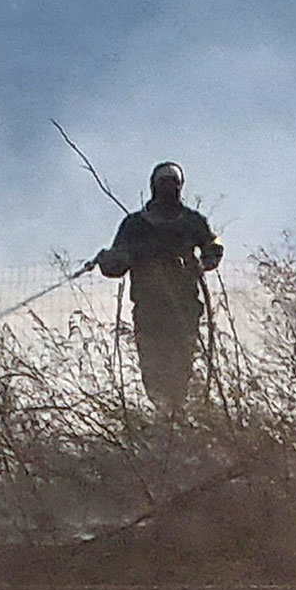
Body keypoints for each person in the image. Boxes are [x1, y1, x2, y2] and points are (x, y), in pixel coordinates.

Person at [94, 162, 224, 415]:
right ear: (154, 187)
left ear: (180, 186)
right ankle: (164, 416)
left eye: (173, 183)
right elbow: (117, 263)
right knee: (153, 372)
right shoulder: (135, 225)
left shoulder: (193, 221)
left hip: (184, 311)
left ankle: (176, 416)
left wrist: (204, 263)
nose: (169, 188)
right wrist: (108, 259)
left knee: (181, 369)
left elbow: (214, 245)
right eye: (163, 183)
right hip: (149, 313)